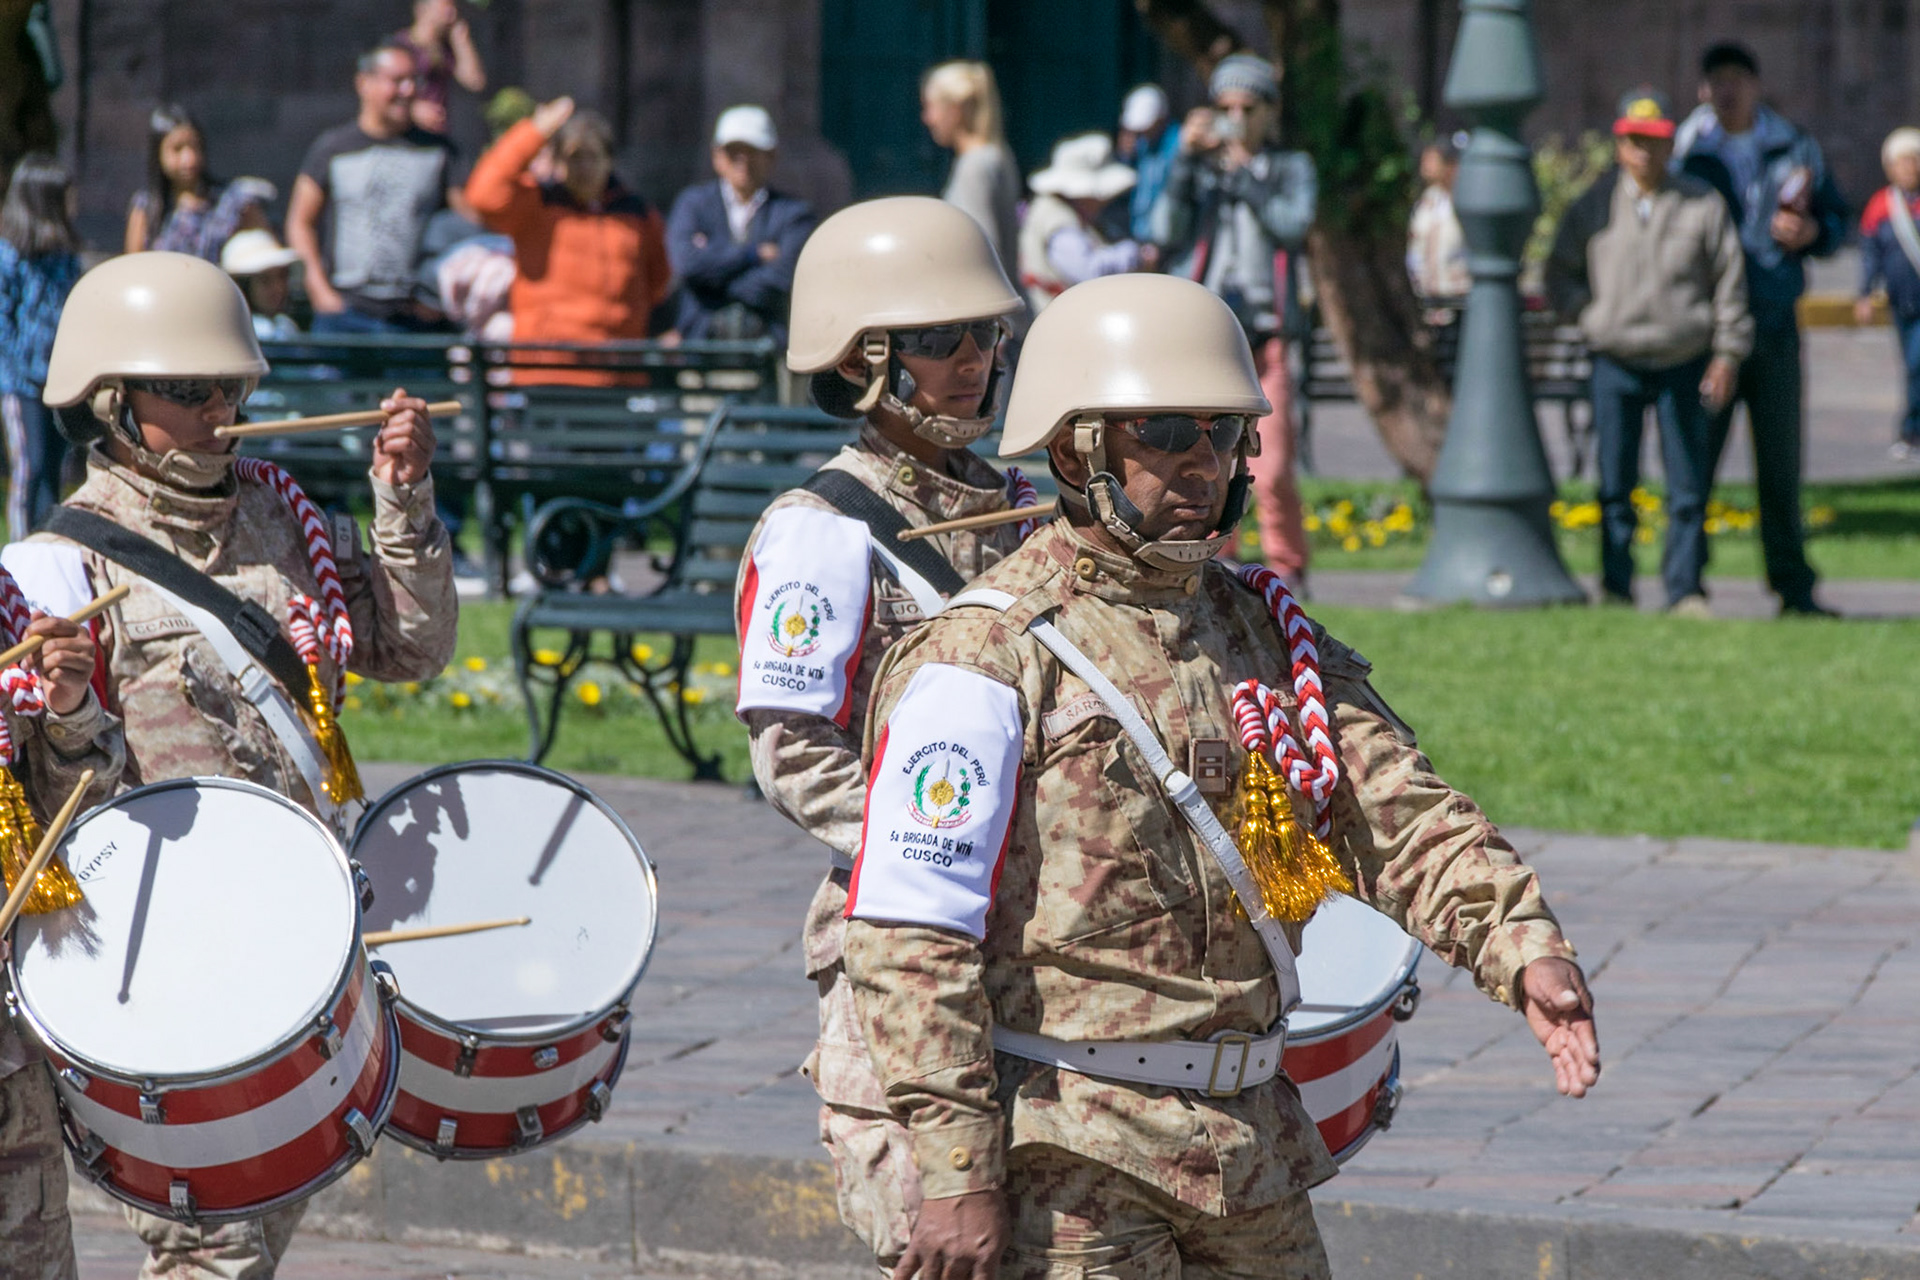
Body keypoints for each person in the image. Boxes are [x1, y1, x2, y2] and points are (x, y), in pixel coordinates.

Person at [842, 272, 1600, 1279]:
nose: (1204, 462)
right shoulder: (986, 656)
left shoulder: (1262, 629)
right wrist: (954, 1170)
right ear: (1076, 447)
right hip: (1071, 1161)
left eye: (1225, 432)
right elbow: (911, 930)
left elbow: (1394, 809)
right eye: (1163, 431)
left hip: (1250, 1153)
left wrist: (1522, 946)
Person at [30, 249, 457, 1280]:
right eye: (188, 391)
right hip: (163, 942)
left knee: (259, 1224)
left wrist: (404, 500)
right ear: (113, 401)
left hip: (292, 924)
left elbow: (412, 647)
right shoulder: (59, 565)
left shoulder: (283, 514)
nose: (219, 407)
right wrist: (67, 697)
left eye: (232, 384)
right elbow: (39, 790)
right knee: (209, 1240)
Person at [733, 196, 1032, 1268]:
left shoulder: (1033, 509)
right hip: (904, 939)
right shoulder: (820, 530)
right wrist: (941, 848)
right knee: (937, 1240)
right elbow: (795, 752)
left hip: (1051, 943)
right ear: (866, 355)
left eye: (988, 333)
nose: (976, 360)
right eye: (942, 339)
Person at [1547, 88, 1750, 616]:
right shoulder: (1593, 205)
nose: (1644, 153)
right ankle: (1616, 587)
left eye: (1655, 142)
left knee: (1687, 484)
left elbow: (1730, 283)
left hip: (1682, 359)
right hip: (1614, 358)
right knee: (1615, 484)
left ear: (1669, 146)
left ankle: (1685, 589)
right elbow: (1557, 275)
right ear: (1619, 146)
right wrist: (1589, 317)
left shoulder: (1702, 203)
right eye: (1635, 142)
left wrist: (1727, 353)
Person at [1673, 41, 1845, 617]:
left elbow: (1836, 220)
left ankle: (1793, 589)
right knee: (1696, 463)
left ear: (1754, 85)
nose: (1726, 89)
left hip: (1773, 324)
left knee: (1779, 466)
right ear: (1703, 90)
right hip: (1710, 329)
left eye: (1736, 78)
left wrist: (1811, 232)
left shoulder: (1792, 146)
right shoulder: (1690, 150)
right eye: (1715, 79)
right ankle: (1686, 586)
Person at [1151, 52, 1316, 588]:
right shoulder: (1199, 168)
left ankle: (1287, 572)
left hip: (1268, 336)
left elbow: (1293, 223)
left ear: (1271, 111)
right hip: (1209, 340)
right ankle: (1221, 567)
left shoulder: (1290, 168)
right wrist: (1182, 162)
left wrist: (1243, 172)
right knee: (1211, 462)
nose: (1237, 118)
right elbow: (1163, 228)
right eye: (1226, 107)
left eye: (1249, 107)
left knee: (1272, 468)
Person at [464, 96, 671, 383]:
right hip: (546, 372)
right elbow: (483, 195)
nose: (584, 168)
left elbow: (658, 282)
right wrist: (535, 131)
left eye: (592, 157)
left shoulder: (637, 214)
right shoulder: (537, 203)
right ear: (559, 162)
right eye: (574, 158)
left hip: (616, 375)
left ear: (609, 160)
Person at [286, 41, 469, 335]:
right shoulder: (333, 148)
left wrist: (437, 295)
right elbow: (300, 221)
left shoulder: (438, 150)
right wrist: (320, 292)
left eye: (414, 80)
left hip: (416, 321)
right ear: (364, 84)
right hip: (345, 315)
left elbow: (468, 221)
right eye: (397, 81)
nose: (408, 90)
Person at [665, 105, 817, 343]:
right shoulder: (693, 205)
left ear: (772, 156)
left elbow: (783, 279)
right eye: (734, 151)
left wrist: (709, 284)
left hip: (768, 352)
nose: (743, 160)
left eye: (753, 151)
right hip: (701, 351)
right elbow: (687, 265)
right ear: (717, 155)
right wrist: (752, 255)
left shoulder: (794, 214)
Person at [0, 152, 81, 539]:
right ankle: (17, 552)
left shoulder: (65, 259)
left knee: (54, 469)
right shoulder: (9, 257)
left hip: (58, 383)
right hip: (20, 386)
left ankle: (47, 546)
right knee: (28, 468)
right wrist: (20, 369)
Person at [1017, 132, 1152, 314]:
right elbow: (1088, 270)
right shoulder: (1057, 221)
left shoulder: (1064, 212)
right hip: (1057, 324)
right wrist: (1133, 254)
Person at [122, 104, 273, 261]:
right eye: (177, 149)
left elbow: (267, 258)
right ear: (158, 154)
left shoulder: (233, 202)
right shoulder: (147, 207)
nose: (189, 159)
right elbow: (134, 268)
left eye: (194, 147)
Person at [922, 61, 1021, 288]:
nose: (927, 118)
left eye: (931, 107)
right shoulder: (995, 154)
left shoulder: (975, 165)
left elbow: (981, 250)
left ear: (954, 110)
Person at [1855, 127, 1920, 461]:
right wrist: (1865, 293)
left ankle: (1911, 430)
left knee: (1917, 361)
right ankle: (1911, 431)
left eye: (1913, 161)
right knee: (1912, 365)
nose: (1908, 169)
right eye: (1901, 162)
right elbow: (1870, 254)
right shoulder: (1882, 205)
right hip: (1901, 300)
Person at [391, 0, 487, 136]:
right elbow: (380, 92)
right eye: (446, 7)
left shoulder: (445, 49)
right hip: (403, 136)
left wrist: (461, 40)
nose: (452, 14)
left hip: (436, 135)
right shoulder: (399, 47)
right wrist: (411, 109)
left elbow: (475, 82)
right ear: (423, 9)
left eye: (453, 8)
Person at [1407, 134, 1470, 303]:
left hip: (1462, 294)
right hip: (1431, 295)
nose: (1426, 165)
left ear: (1451, 166)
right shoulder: (1427, 202)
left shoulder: (1467, 200)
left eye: (1432, 160)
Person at [1116, 83, 1180, 242]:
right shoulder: (1141, 143)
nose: (1142, 132)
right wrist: (1125, 157)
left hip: (1166, 236)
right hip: (1139, 233)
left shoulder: (1179, 142)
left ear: (1161, 118)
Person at [220, 228, 304, 341]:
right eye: (265, 280)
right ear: (242, 285)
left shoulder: (286, 326)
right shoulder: (233, 334)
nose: (278, 288)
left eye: (282, 276)